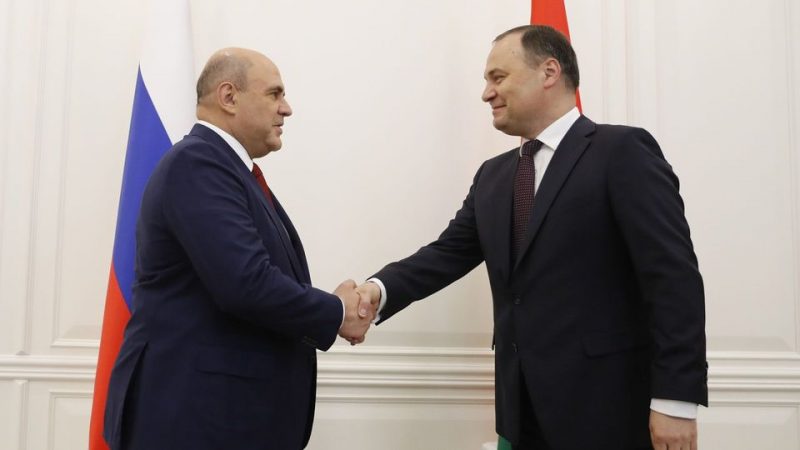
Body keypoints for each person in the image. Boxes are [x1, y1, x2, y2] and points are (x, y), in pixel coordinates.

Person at [356, 25, 707, 450]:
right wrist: (376, 291)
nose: (486, 93)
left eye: (498, 77)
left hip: (609, 409)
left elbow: (672, 278)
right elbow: (447, 254)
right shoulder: (493, 175)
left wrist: (675, 399)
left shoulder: (622, 151)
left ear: (549, 72)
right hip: (521, 412)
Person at [103, 48, 371, 450]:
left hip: (219, 418)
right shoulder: (198, 164)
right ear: (229, 97)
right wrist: (336, 312)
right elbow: (246, 282)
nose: (287, 109)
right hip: (193, 421)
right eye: (274, 94)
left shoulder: (227, 170)